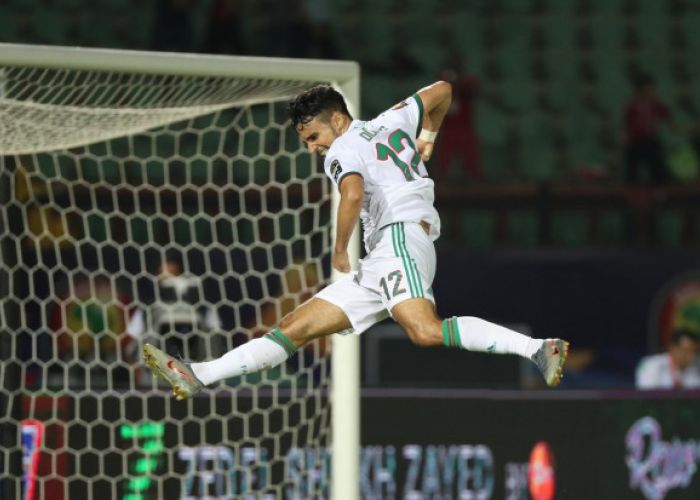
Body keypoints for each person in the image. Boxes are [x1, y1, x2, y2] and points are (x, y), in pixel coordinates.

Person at [143, 81, 570, 400]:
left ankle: (537, 348)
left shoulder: (341, 150)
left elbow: (349, 194)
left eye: (314, 137)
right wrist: (428, 137)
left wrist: (338, 249)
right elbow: (443, 90)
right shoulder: (391, 119)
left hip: (397, 237)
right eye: (307, 142)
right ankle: (199, 374)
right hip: (386, 254)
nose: (313, 148)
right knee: (293, 329)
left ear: (337, 119)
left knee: (423, 331)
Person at [129, 255, 219, 361]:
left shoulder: (201, 303)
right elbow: (134, 335)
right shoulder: (148, 306)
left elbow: (214, 331)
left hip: (195, 357)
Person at [623, 75, 674, 185]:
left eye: (651, 89)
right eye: (647, 89)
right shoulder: (633, 106)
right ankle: (632, 191)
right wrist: (626, 136)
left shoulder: (656, 104)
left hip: (651, 140)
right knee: (632, 168)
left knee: (658, 168)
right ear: (640, 90)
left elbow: (667, 116)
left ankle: (659, 189)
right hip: (636, 141)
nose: (650, 92)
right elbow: (627, 124)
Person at [636, 329, 700, 389]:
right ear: (673, 348)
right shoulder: (653, 364)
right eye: (686, 351)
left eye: (694, 352)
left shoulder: (694, 369)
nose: (691, 356)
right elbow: (647, 395)